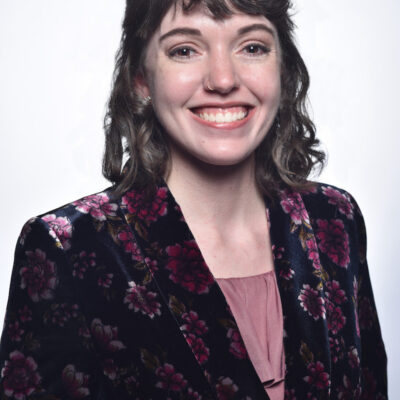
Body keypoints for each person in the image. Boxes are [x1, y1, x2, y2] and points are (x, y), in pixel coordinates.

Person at [0, 0, 387, 399]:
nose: (222, 79)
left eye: (252, 47)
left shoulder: (335, 221)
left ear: (283, 69)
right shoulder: (66, 246)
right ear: (140, 79)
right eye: (184, 50)